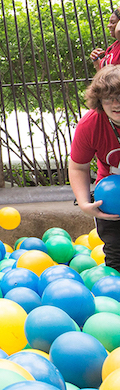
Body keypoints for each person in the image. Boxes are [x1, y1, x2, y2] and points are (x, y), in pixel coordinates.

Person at [69, 65, 120, 274]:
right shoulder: (90, 124)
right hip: (111, 198)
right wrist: (83, 203)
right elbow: (78, 166)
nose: (115, 104)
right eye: (109, 98)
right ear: (99, 100)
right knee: (116, 255)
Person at [90, 6, 120, 71]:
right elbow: (103, 75)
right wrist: (95, 60)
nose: (108, 25)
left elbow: (118, 30)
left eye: (113, 22)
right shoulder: (111, 48)